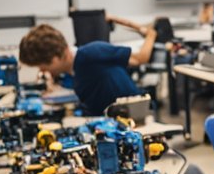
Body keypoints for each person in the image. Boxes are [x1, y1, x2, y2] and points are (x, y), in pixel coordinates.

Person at [18, 16, 157, 116]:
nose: (42, 70)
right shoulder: (71, 72)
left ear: (54, 59)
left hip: (137, 117)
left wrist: (150, 35)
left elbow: (141, 58)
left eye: (41, 66)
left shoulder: (92, 53)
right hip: (111, 121)